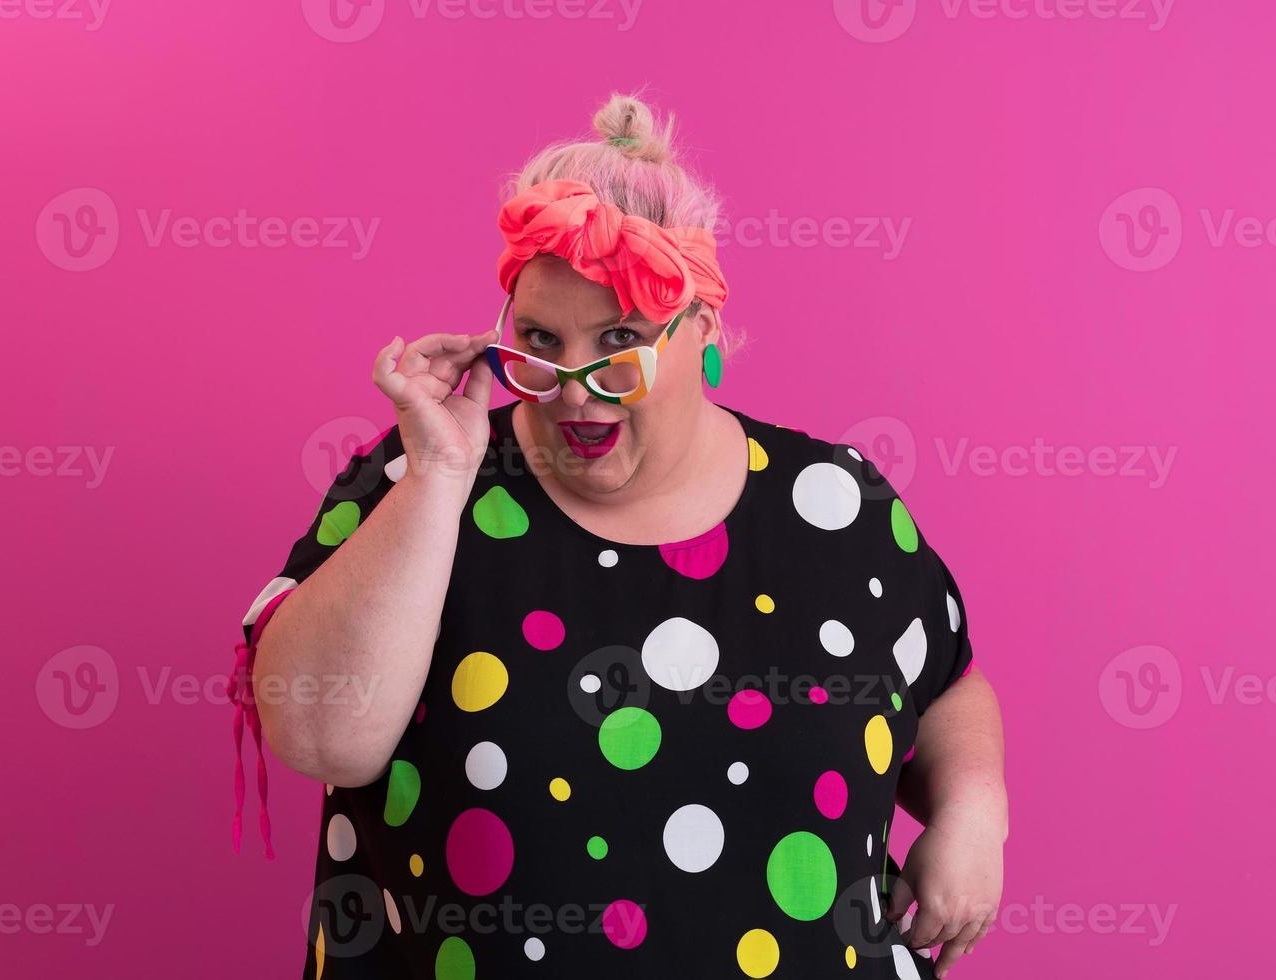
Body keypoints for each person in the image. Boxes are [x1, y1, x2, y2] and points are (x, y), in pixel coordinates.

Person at [230, 90, 1006, 980]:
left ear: (702, 329)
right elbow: (318, 738)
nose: (571, 386)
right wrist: (440, 478)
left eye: (620, 340)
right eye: (539, 340)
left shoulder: (836, 504)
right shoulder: (419, 482)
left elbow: (945, 681)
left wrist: (974, 812)